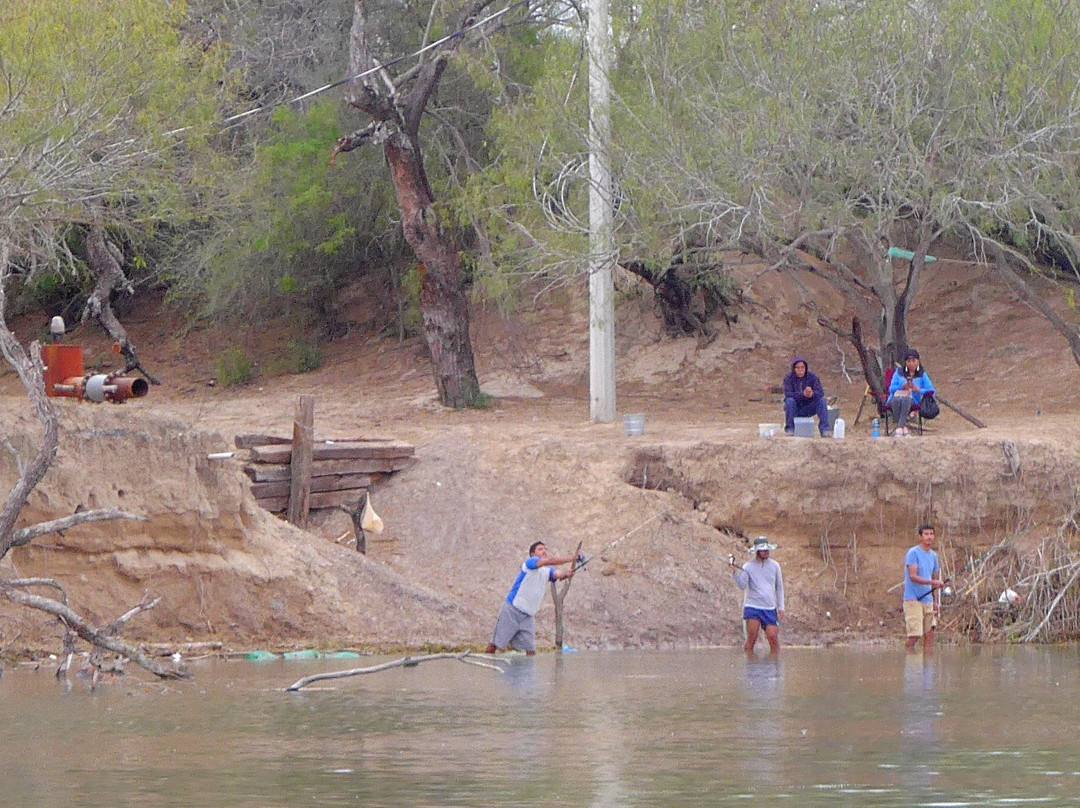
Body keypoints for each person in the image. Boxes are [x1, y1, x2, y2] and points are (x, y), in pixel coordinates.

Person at [485, 541, 581, 656]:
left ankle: (528, 668)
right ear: (532, 554)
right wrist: (572, 558)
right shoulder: (530, 563)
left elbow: (558, 574)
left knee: (530, 651)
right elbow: (550, 560)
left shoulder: (548, 570)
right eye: (540, 549)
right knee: (495, 644)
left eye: (545, 549)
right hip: (512, 610)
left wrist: (567, 574)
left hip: (528, 616)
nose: (544, 551)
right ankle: (486, 661)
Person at [729, 536, 785, 658]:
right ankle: (750, 664)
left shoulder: (775, 566)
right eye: (763, 550)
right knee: (752, 637)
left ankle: (775, 665)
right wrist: (735, 573)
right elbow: (743, 585)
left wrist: (781, 607)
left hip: (769, 607)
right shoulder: (748, 566)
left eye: (767, 550)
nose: (766, 552)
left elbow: (779, 588)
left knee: (772, 637)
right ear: (757, 552)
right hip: (753, 606)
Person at [903, 524, 945, 653]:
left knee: (930, 633)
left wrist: (936, 602)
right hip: (913, 599)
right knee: (915, 635)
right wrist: (933, 582)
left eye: (931, 534)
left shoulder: (934, 556)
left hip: (928, 600)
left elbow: (934, 580)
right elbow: (913, 576)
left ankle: (928, 663)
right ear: (920, 537)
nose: (929, 537)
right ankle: (909, 657)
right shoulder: (913, 553)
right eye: (926, 534)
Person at [886, 348, 936, 437]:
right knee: (897, 400)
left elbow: (931, 390)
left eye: (913, 361)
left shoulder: (922, 375)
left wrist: (918, 390)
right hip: (896, 397)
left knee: (906, 399)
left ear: (918, 362)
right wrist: (902, 387)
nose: (911, 363)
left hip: (913, 399)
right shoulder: (899, 373)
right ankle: (903, 427)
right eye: (909, 361)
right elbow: (891, 389)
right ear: (905, 362)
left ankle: (899, 427)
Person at [782, 358, 831, 437]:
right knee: (789, 401)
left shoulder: (812, 377)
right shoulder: (788, 378)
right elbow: (788, 393)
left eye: (802, 367)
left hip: (809, 408)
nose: (800, 370)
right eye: (797, 368)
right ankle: (790, 429)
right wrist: (802, 394)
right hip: (795, 409)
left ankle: (825, 429)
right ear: (794, 369)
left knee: (822, 401)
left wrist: (812, 394)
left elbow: (820, 392)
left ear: (806, 368)